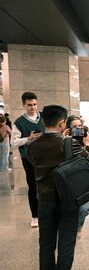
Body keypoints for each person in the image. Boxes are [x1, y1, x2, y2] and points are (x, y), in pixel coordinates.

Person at [27, 105, 89, 270]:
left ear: (43, 122)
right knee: (66, 243)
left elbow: (33, 164)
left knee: (46, 243)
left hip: (44, 200)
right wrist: (87, 144)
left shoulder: (33, 145)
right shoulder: (69, 144)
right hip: (67, 200)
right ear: (61, 123)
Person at [11, 92, 45, 227]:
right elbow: (13, 143)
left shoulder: (43, 117)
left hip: (46, 156)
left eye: (35, 104)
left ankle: (47, 214)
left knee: (47, 185)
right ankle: (35, 216)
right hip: (29, 158)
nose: (33, 107)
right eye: (29, 105)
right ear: (23, 105)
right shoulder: (19, 122)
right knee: (33, 186)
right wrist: (28, 139)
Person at [66, 115, 89, 232]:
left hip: (85, 180)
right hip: (71, 180)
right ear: (68, 129)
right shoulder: (65, 142)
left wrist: (88, 145)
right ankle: (73, 228)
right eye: (74, 127)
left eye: (79, 126)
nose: (78, 129)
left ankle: (78, 226)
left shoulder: (86, 139)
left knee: (85, 209)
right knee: (73, 208)